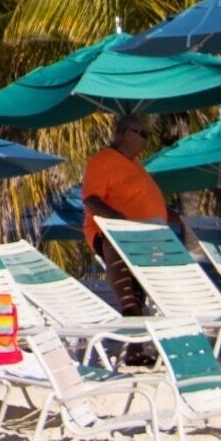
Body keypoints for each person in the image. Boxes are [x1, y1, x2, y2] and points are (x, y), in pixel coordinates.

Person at [83, 114, 170, 317]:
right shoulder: (103, 161)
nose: (146, 139)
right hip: (114, 235)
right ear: (122, 134)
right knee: (132, 295)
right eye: (142, 133)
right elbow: (91, 199)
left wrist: (175, 218)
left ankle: (136, 342)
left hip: (148, 237)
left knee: (139, 291)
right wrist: (120, 221)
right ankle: (130, 309)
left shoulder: (134, 164)